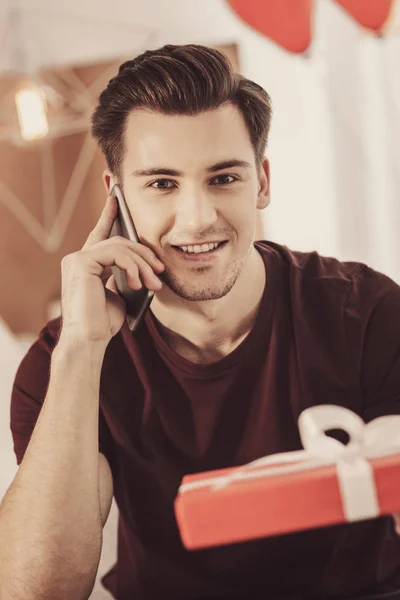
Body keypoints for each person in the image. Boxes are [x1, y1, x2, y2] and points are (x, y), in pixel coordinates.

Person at [1, 44, 400, 600]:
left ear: (261, 181)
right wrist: (81, 350)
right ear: (116, 198)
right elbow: (34, 592)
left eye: (223, 179)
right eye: (162, 184)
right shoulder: (61, 361)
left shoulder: (370, 315)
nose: (198, 218)